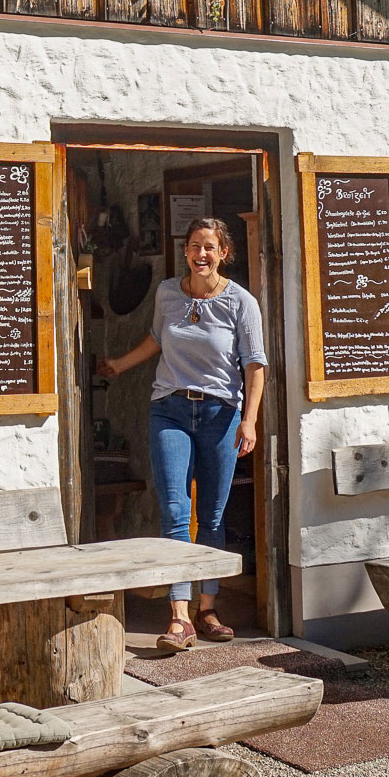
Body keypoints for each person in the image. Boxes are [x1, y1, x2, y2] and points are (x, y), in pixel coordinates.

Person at [98, 218, 267, 651]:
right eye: (195, 246)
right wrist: (119, 364)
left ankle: (208, 609)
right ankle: (179, 616)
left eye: (210, 247)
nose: (202, 255)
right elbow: (157, 338)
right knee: (175, 509)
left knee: (211, 515)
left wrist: (249, 420)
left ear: (223, 252)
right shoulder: (168, 294)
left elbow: (254, 366)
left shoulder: (241, 303)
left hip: (220, 414)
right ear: (186, 251)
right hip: (169, 410)